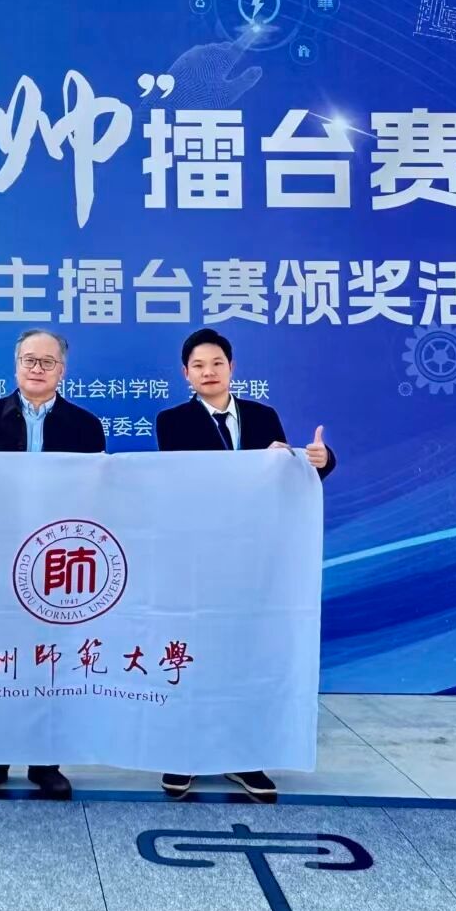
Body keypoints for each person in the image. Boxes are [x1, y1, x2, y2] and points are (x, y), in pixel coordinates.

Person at [153, 326, 335, 802]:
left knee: (248, 656)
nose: (208, 372)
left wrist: (314, 459)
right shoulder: (171, 421)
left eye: (217, 363)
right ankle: (184, 754)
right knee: (193, 656)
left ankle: (245, 757)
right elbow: (190, 481)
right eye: (198, 366)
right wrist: (257, 463)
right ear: (185, 374)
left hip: (256, 559)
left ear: (232, 368)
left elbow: (288, 479)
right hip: (198, 558)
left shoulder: (262, 416)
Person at [0, 327, 106, 800]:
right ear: (16, 365)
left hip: (58, 557)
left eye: (47, 362)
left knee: (50, 656)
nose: (37, 369)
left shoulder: (85, 425)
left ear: (63, 370)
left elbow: (97, 495)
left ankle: (45, 762)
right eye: (29, 360)